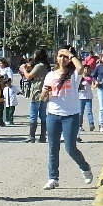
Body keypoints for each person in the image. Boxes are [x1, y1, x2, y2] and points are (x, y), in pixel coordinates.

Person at [42, 47, 93, 190]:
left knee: (70, 148)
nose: (62, 59)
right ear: (56, 58)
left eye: (65, 56)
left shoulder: (74, 74)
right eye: (60, 56)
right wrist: (44, 94)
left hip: (70, 116)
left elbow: (81, 68)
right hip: (53, 115)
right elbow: (43, 96)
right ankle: (53, 178)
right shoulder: (50, 75)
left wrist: (70, 54)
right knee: (53, 148)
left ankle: (85, 167)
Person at [19, 50, 49, 143]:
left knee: (33, 115)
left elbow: (28, 77)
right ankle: (43, 136)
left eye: (35, 55)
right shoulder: (46, 66)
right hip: (44, 93)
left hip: (36, 93)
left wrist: (23, 69)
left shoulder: (39, 66)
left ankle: (31, 136)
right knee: (43, 115)